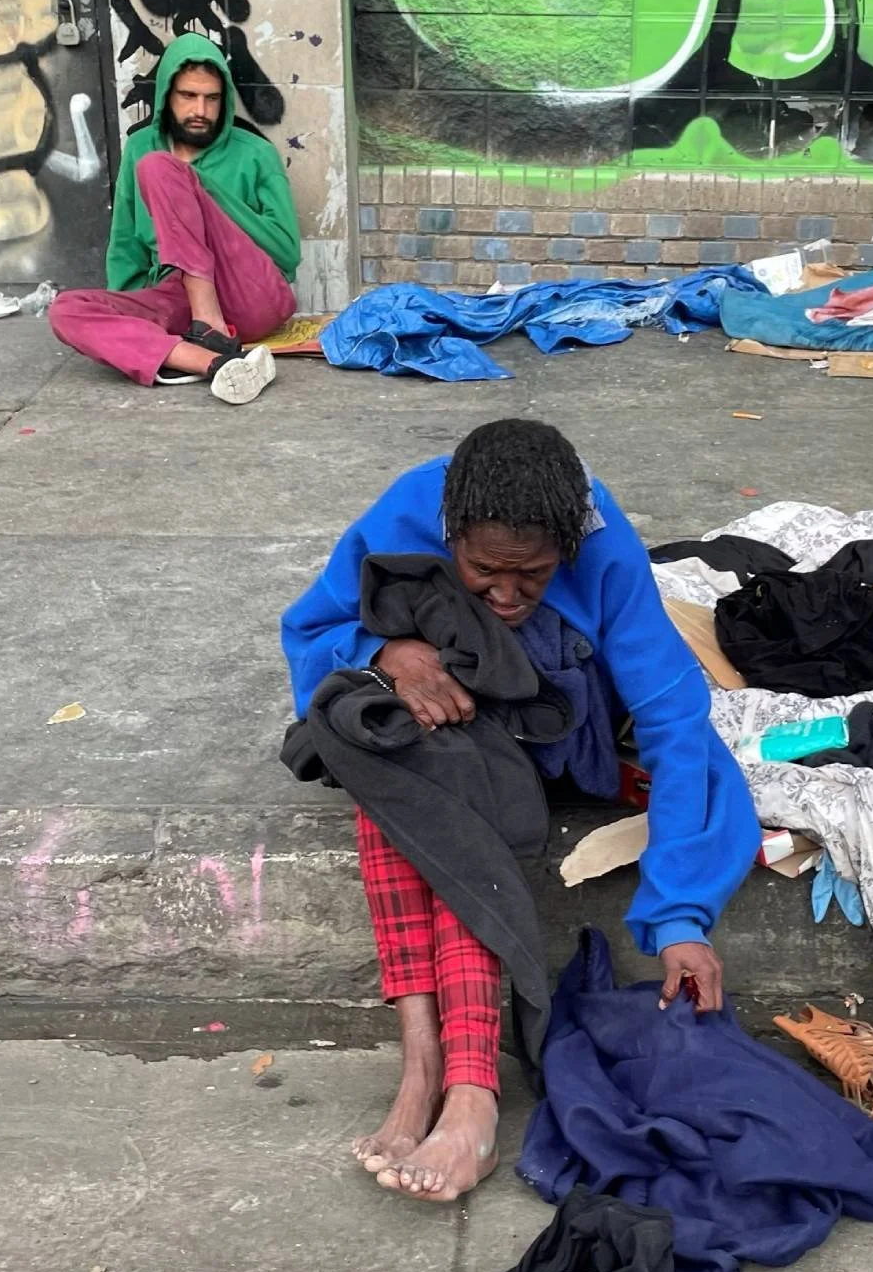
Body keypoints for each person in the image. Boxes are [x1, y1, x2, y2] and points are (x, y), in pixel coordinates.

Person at [281, 420, 760, 1204]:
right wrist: (385, 654)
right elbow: (312, 628)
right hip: (435, 721)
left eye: (533, 574)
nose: (506, 595)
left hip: (547, 728)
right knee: (379, 743)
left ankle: (463, 1084)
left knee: (438, 785)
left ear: (566, 548)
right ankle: (426, 1060)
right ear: (450, 532)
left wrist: (680, 918)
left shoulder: (603, 545)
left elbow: (676, 724)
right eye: (483, 571)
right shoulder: (408, 509)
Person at [49, 33, 299, 405]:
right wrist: (133, 312)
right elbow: (126, 247)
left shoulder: (255, 154)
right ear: (167, 96)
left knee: (160, 169)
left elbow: (287, 252)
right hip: (175, 294)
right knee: (66, 310)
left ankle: (209, 326)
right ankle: (214, 363)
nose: (200, 110)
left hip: (248, 292)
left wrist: (199, 190)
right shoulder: (140, 148)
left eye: (212, 98)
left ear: (224, 101)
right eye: (188, 96)